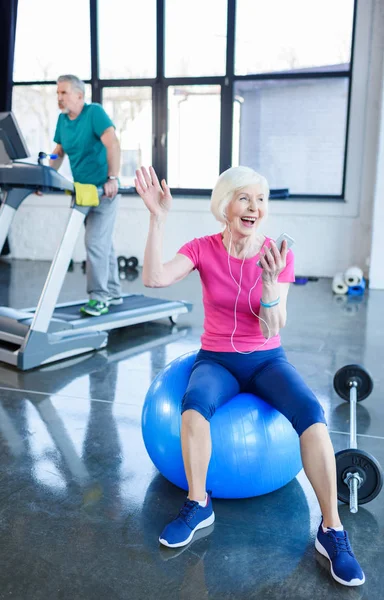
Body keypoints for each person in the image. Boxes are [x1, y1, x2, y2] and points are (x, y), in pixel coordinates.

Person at [135, 165, 365, 588]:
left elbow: (272, 328)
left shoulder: (277, 253)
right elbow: (154, 277)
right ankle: (198, 504)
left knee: (312, 413)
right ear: (225, 206)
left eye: (261, 200)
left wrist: (270, 281)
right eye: (244, 198)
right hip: (217, 359)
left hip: (265, 359)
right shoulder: (203, 248)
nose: (254, 207)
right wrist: (157, 218)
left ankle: (332, 530)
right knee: (192, 409)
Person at [50, 74, 122, 316]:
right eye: (58, 93)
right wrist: (44, 176)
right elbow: (58, 153)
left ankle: (99, 298)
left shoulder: (94, 113)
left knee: (95, 243)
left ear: (79, 95)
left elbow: (112, 143)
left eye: (64, 93)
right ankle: (113, 291)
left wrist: (113, 178)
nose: (59, 97)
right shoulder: (63, 121)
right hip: (82, 192)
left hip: (104, 191)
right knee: (102, 243)